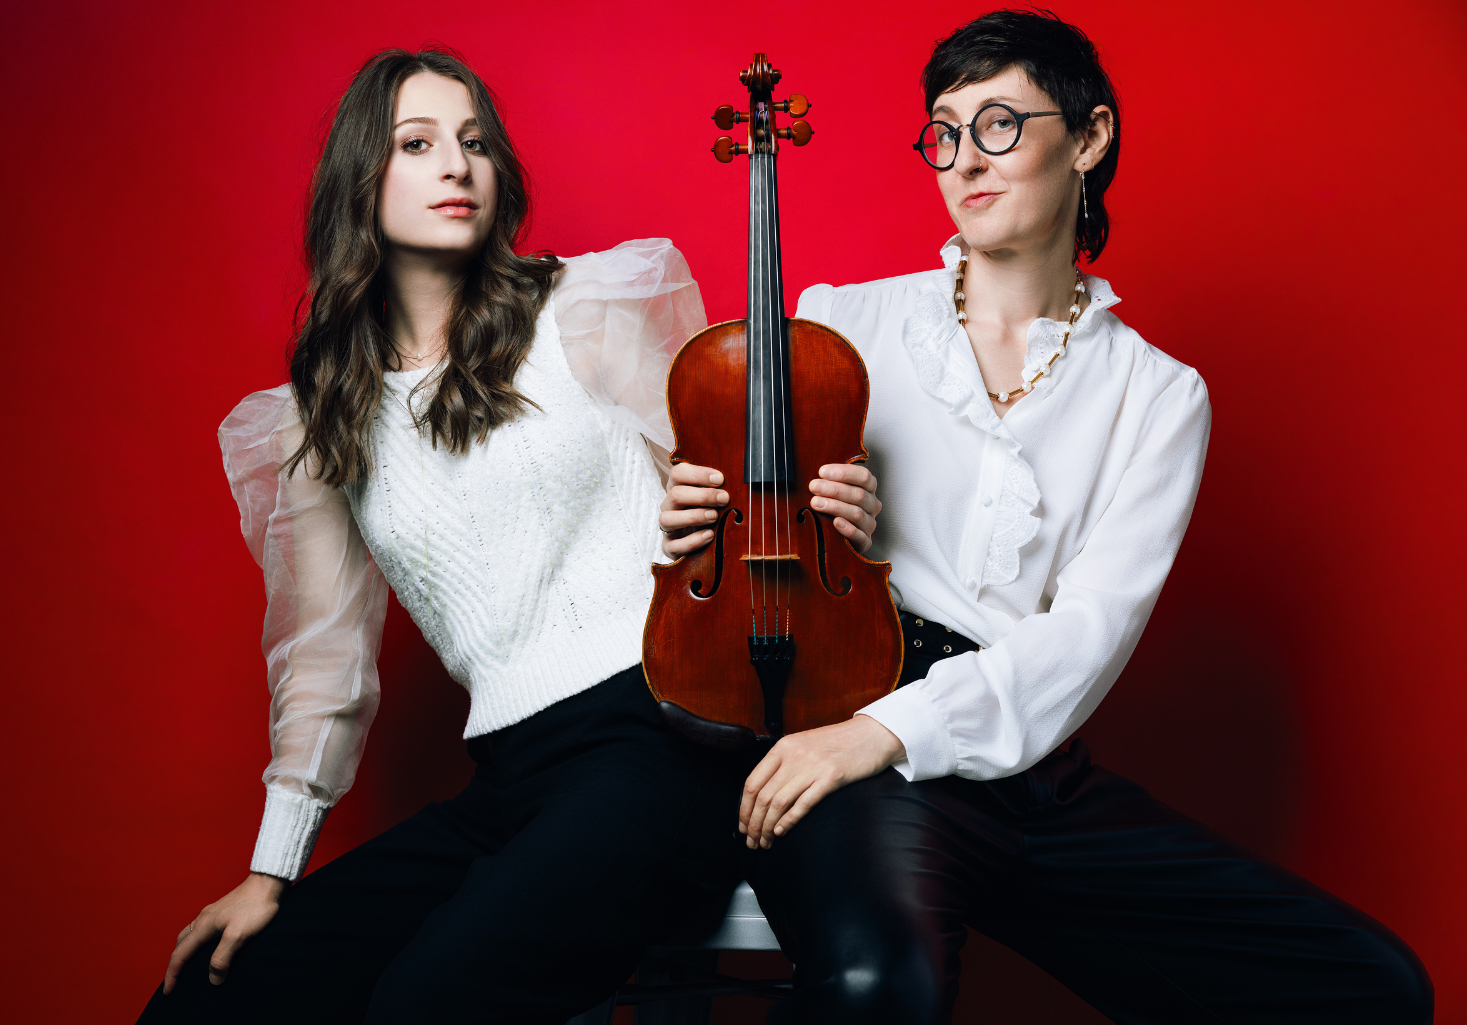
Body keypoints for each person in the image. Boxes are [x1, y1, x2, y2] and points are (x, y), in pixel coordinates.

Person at [660, 10, 1432, 1023]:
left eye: (999, 124)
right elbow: (751, 548)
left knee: (1369, 984)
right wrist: (702, 515)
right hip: (854, 728)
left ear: (1090, 137)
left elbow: (1088, 632)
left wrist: (889, 731)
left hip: (1026, 761)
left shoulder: (1158, 394)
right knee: (882, 984)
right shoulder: (845, 320)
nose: (964, 160)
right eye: (944, 132)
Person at [138, 45, 881, 1025]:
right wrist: (270, 869)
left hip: (668, 736)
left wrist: (833, 510)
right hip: (512, 776)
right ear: (360, 178)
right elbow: (324, 667)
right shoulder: (318, 419)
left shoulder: (587, 308)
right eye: (417, 143)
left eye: (476, 142)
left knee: (428, 1001)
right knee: (213, 994)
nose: (458, 165)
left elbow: (743, 508)